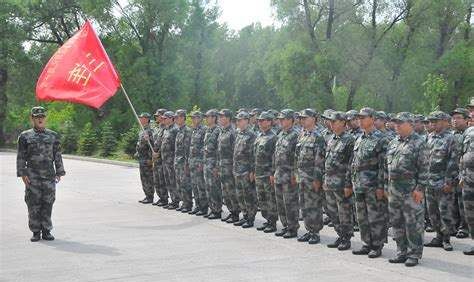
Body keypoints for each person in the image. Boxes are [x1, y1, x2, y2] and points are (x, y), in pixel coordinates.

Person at [17, 106, 66, 242]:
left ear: (45, 118)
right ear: (32, 118)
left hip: (49, 176)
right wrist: (22, 173)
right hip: (32, 176)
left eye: (42, 116)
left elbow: (57, 155)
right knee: (33, 203)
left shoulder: (53, 136)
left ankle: (46, 230)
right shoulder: (25, 136)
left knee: (48, 202)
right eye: (37, 117)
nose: (40, 119)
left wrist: (59, 171)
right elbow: (21, 156)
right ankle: (35, 231)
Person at [386, 112, 428, 267]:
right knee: (397, 222)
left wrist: (420, 188)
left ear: (410, 124)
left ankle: (414, 254)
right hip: (394, 189)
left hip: (410, 190)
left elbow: (425, 168)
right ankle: (401, 251)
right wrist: (386, 186)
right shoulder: (393, 142)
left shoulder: (419, 142)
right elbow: (387, 167)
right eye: (395, 123)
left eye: (400, 123)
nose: (396, 125)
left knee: (413, 223)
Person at [351, 107, 388, 258]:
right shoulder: (360, 138)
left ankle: (377, 245)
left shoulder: (381, 139)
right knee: (362, 217)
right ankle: (366, 243)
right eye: (359, 118)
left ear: (372, 118)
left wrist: (381, 186)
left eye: (363, 117)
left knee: (375, 217)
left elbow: (383, 166)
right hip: (359, 184)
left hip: (373, 186)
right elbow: (354, 162)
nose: (360, 120)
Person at [424, 111, 458, 251]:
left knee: (444, 211)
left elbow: (453, 161)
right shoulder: (429, 137)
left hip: (443, 181)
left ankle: (446, 239)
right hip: (429, 181)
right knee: (432, 212)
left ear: (444, 122)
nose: (432, 124)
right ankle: (438, 236)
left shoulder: (451, 138)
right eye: (431, 121)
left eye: (435, 121)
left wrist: (449, 181)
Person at [324, 111, 355, 251]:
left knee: (344, 212)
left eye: (334, 121)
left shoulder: (349, 140)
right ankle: (340, 234)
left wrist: (348, 184)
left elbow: (351, 164)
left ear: (343, 122)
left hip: (342, 184)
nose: (331, 123)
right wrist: (325, 178)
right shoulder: (331, 139)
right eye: (330, 121)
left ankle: (346, 238)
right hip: (330, 182)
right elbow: (327, 161)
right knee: (332, 211)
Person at [296, 109, 326, 244]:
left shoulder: (318, 136)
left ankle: (315, 232)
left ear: (313, 119)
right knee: (304, 205)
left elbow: (319, 161)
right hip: (302, 177)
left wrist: (317, 179)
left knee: (314, 205)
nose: (302, 120)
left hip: (312, 178)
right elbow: (297, 157)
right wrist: (296, 175)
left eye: (305, 118)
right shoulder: (302, 134)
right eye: (301, 118)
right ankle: (308, 230)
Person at [273, 109, 299, 239]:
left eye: (283, 119)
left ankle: (292, 227)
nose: (280, 121)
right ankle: (285, 226)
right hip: (279, 174)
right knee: (280, 203)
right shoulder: (280, 134)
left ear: (290, 120)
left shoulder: (296, 135)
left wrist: (295, 175)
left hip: (289, 175)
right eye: (280, 119)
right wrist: (273, 172)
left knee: (290, 203)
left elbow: (297, 157)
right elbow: (276, 155)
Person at [254, 111, 278, 233]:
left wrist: (272, 173)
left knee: (270, 199)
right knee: (262, 199)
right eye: (259, 120)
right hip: (258, 173)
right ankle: (267, 219)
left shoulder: (273, 137)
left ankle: (272, 222)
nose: (260, 122)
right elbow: (255, 155)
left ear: (269, 122)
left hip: (267, 174)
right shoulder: (259, 136)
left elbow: (274, 157)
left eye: (262, 120)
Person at [233, 111, 257, 228]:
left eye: (240, 120)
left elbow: (253, 155)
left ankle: (251, 218)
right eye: (237, 120)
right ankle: (245, 215)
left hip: (246, 170)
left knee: (248, 195)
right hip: (237, 169)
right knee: (240, 195)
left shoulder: (251, 135)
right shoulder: (238, 134)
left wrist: (252, 171)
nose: (237, 122)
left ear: (247, 121)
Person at [218, 109, 241, 223]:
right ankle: (232, 211)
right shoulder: (222, 131)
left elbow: (235, 152)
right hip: (222, 166)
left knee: (231, 191)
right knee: (225, 192)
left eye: (222, 116)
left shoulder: (233, 132)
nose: (220, 118)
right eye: (220, 116)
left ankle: (236, 213)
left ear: (228, 118)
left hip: (230, 166)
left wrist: (234, 168)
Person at [451, 108, 470, 238]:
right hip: (452, 173)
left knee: (463, 201)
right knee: (453, 201)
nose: (455, 120)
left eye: (458, 118)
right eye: (454, 118)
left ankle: (464, 227)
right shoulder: (452, 135)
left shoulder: (469, 134)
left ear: (466, 120)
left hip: (466, 173)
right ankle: (455, 225)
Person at [459, 109, 474, 255]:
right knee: (470, 214)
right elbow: (462, 156)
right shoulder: (468, 133)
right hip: (469, 179)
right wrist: (462, 175)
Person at [203, 109, 222, 219]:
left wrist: (216, 166)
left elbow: (219, 150)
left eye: (208, 116)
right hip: (206, 163)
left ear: (214, 118)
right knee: (208, 188)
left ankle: (217, 210)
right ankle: (212, 208)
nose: (206, 118)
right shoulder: (208, 130)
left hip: (213, 164)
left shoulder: (217, 131)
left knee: (215, 188)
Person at [189, 110, 208, 215]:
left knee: (201, 186)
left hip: (199, 162)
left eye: (195, 117)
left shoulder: (204, 130)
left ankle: (204, 207)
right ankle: (197, 205)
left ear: (200, 118)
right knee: (194, 185)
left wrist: (201, 162)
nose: (193, 119)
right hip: (192, 161)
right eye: (192, 118)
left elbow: (203, 147)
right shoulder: (194, 130)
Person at [174, 109, 193, 213]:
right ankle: (184, 203)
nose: (176, 119)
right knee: (180, 184)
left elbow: (187, 149)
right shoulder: (179, 130)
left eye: (177, 117)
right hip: (178, 162)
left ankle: (188, 204)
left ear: (182, 118)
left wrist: (186, 165)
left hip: (184, 163)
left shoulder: (187, 131)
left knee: (185, 184)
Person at [160, 111, 180, 209]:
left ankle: (176, 201)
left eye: (166, 118)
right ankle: (172, 200)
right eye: (163, 118)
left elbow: (177, 146)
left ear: (172, 118)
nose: (164, 120)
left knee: (173, 181)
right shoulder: (166, 130)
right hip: (165, 160)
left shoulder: (175, 130)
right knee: (168, 181)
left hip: (171, 160)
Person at [136, 112, 155, 204]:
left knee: (148, 178)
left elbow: (152, 146)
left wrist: (150, 159)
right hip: (141, 158)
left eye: (142, 118)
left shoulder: (149, 131)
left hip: (147, 159)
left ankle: (150, 196)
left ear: (147, 119)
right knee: (143, 178)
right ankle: (147, 195)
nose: (140, 119)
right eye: (140, 117)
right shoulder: (142, 130)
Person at [152, 108, 169, 206]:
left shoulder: (165, 128)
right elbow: (155, 143)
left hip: (162, 158)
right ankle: (161, 198)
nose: (156, 117)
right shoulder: (157, 128)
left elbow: (165, 144)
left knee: (162, 180)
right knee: (157, 180)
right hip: (156, 158)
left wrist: (159, 153)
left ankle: (164, 198)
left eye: (158, 116)